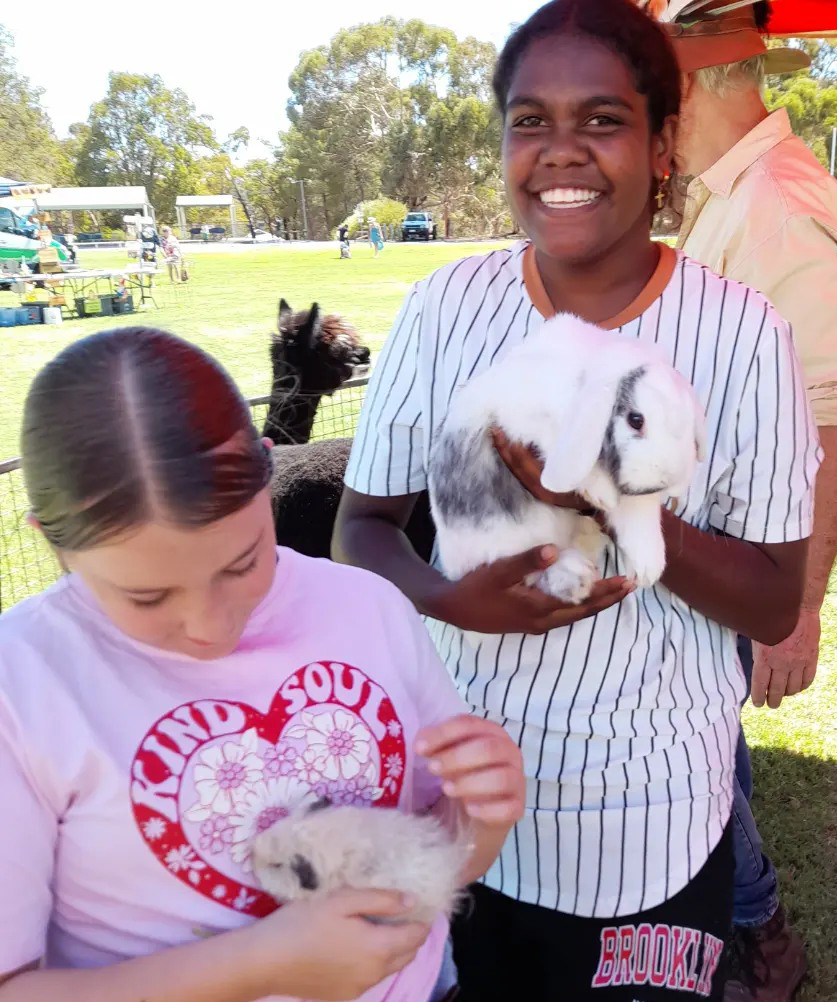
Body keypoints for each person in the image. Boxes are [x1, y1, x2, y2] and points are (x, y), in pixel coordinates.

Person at [333, 1, 821, 999]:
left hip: (643, 822)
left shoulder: (743, 333)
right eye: (529, 120)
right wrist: (443, 600)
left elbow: (775, 601)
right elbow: (361, 529)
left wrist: (620, 509)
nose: (561, 152)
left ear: (662, 143)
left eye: (602, 120)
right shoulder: (445, 307)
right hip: (459, 803)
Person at [0, 326, 525, 1002]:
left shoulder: (369, 608)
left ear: (270, 469)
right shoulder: (22, 684)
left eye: (243, 562)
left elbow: (438, 865)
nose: (209, 626)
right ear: (52, 541)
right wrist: (261, 965)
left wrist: (481, 814)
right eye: (146, 595)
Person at [656, 3, 837, 998]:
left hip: (743, 557)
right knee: (700, 738)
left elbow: (826, 426)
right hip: (705, 541)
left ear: (684, 88)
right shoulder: (728, 197)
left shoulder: (776, 205)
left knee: (701, 755)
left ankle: (759, 924)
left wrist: (796, 607)